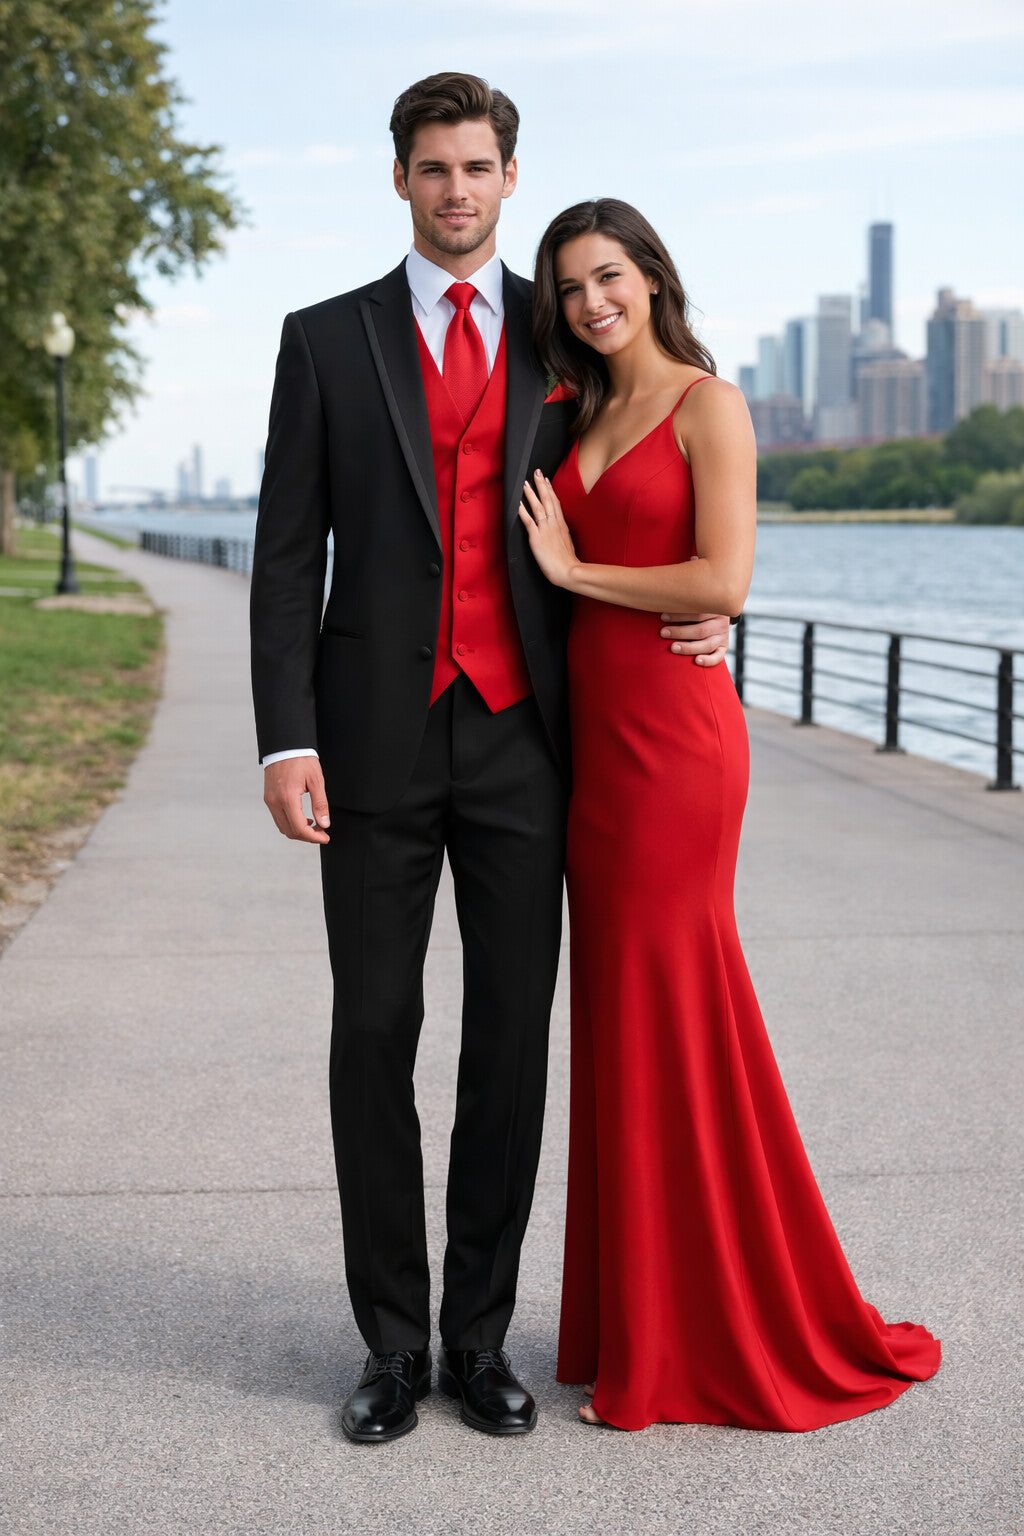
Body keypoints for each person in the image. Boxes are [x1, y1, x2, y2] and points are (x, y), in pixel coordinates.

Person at [250, 79, 731, 1444]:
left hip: (532, 743)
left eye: (478, 166)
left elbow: (678, 452)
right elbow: (288, 558)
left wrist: (711, 594)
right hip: (369, 746)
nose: (456, 189)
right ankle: (391, 1349)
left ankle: (480, 1341)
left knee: (512, 1046)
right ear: (399, 180)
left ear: (512, 177)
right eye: (432, 167)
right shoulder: (326, 341)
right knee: (373, 1035)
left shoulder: (563, 331)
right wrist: (286, 736)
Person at [518, 198, 942, 1432]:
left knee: (670, 1002)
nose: (591, 302)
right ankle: (635, 1319)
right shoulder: (572, 410)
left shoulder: (710, 404)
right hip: (592, 756)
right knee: (627, 1018)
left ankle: (708, 1328)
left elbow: (723, 580)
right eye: (570, 289)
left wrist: (577, 571)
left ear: (651, 276)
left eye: (608, 277)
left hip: (677, 751)